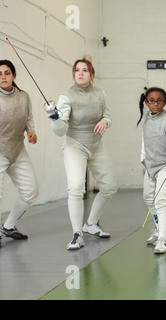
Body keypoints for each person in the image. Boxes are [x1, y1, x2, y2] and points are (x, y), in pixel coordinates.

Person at [49, 58, 117, 250]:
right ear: (73, 74)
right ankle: (77, 234)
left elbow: (108, 116)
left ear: (92, 74)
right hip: (75, 145)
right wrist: (55, 120)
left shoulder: (100, 94)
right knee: (76, 188)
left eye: (85, 70)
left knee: (110, 187)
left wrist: (105, 122)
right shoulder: (66, 97)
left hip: (97, 145)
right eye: (77, 70)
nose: (80, 73)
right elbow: (61, 130)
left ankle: (91, 224)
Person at [137, 87, 166, 254]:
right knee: (148, 198)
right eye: (151, 100)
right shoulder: (145, 119)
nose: (155, 104)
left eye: (159, 100)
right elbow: (145, 140)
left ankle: (163, 239)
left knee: (161, 200)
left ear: (165, 101)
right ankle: (159, 229)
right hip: (150, 165)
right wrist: (143, 157)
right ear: (145, 102)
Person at [0, 60, 39, 246]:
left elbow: (29, 119)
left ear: (14, 75)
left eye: (7, 73)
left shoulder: (24, 96)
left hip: (18, 149)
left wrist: (31, 131)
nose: (3, 77)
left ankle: (8, 226)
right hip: (0, 149)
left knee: (31, 191)